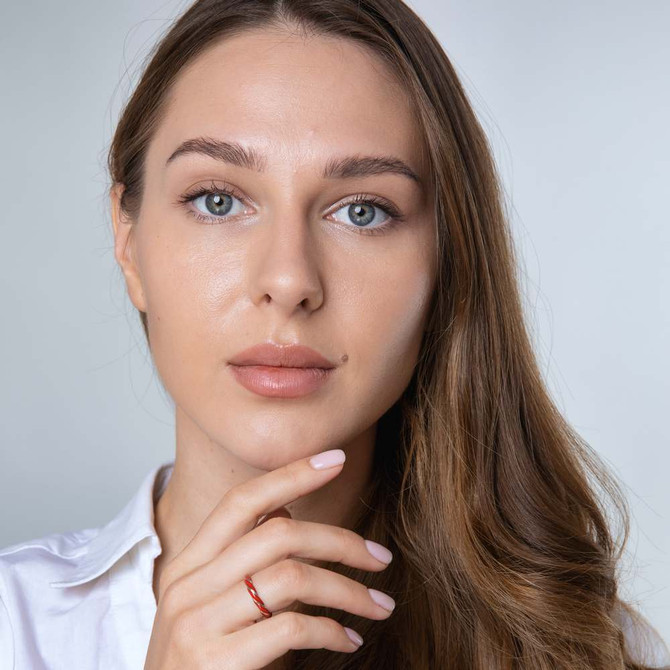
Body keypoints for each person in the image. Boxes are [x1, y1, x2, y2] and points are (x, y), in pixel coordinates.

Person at [0, 0, 668, 668]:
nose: (289, 279)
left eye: (362, 210)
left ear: (447, 259)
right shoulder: (14, 624)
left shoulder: (586, 647)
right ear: (129, 244)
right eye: (218, 200)